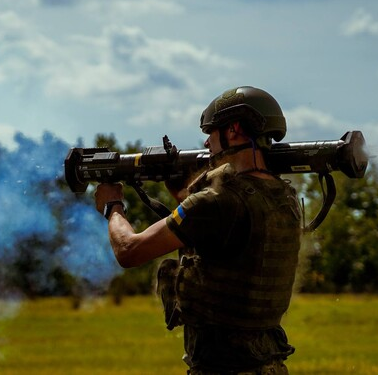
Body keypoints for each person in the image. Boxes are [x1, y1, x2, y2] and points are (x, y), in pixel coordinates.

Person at [95, 86, 302, 375]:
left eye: (211, 132)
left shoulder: (216, 201)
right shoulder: (284, 197)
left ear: (233, 130)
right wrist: (184, 197)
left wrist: (112, 206)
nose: (206, 142)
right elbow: (231, 241)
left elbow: (129, 250)